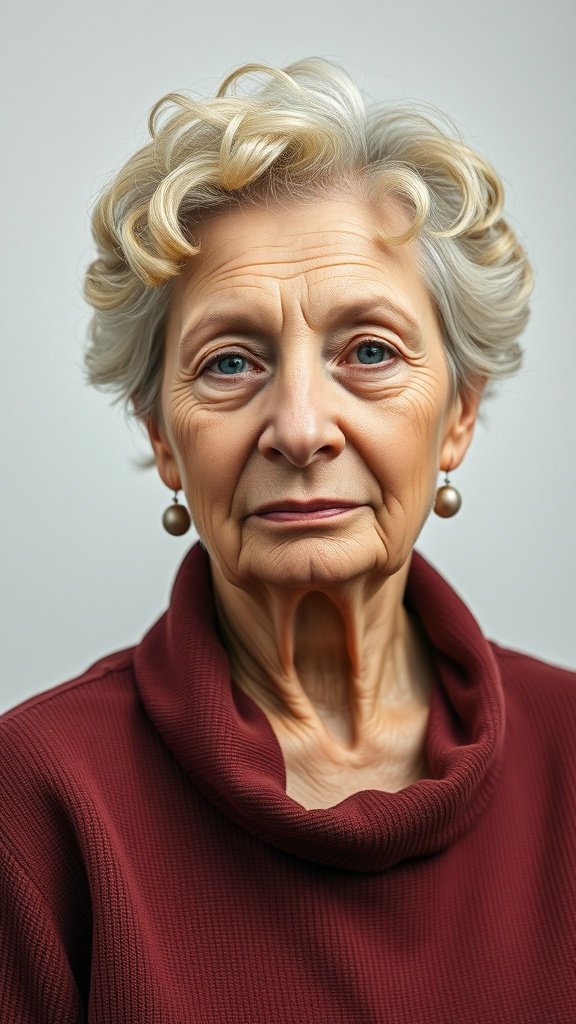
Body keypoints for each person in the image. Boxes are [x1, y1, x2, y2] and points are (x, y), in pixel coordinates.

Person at [0, 58, 574, 1024]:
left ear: (461, 414)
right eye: (230, 362)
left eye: (370, 352)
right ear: (160, 434)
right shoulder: (34, 798)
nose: (301, 427)